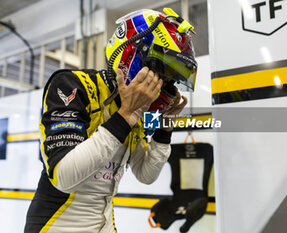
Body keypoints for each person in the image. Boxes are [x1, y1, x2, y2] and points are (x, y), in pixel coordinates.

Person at [24, 8, 197, 233]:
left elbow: (146, 175)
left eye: (172, 79)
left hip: (105, 225)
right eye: (162, 72)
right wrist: (125, 116)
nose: (165, 85)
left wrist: (164, 128)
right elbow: (63, 176)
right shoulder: (72, 84)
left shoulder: (141, 109)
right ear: (132, 57)